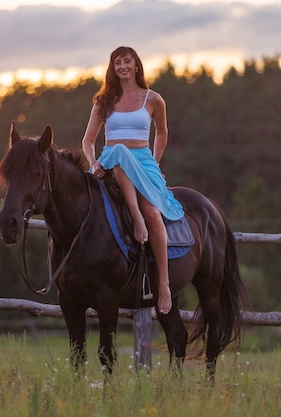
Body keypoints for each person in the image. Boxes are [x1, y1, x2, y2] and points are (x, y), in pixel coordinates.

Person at [81, 46, 185, 315]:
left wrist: (155, 161)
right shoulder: (103, 101)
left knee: (153, 212)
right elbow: (88, 140)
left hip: (143, 162)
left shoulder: (153, 99)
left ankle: (163, 283)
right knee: (118, 152)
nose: (123, 66)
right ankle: (134, 217)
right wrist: (93, 163)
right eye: (118, 62)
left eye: (128, 61)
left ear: (136, 65)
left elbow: (162, 133)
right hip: (112, 163)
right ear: (112, 68)